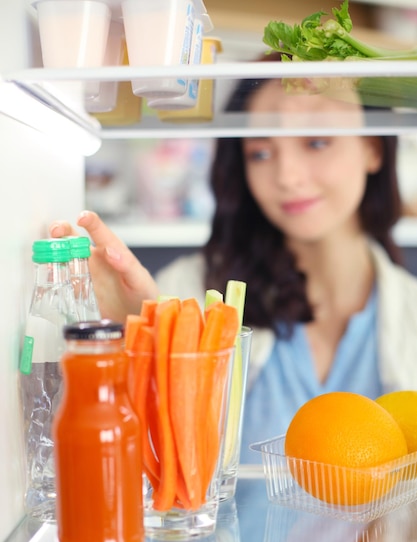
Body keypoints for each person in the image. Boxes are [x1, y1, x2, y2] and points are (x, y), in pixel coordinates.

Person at [50, 52, 417, 464]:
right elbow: (130, 464)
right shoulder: (184, 294)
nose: (287, 177)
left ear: (373, 148)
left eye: (316, 142)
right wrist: (137, 348)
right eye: (260, 153)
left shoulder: (410, 314)